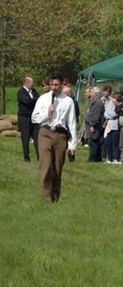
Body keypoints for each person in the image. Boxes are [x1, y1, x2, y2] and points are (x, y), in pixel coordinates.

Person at [30, 73, 77, 202]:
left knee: (57, 168)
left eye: (56, 85)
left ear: (62, 85)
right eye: (51, 84)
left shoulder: (68, 101)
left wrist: (72, 144)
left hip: (61, 135)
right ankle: (46, 198)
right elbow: (34, 118)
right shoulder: (43, 98)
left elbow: (72, 122)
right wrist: (47, 113)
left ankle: (55, 196)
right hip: (45, 132)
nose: (54, 87)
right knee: (46, 165)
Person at [16, 76, 39, 162]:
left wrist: (32, 100)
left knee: (37, 137)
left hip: (34, 117)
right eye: (32, 82)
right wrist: (33, 100)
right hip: (24, 118)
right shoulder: (21, 92)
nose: (33, 84)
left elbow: (39, 99)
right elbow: (26, 101)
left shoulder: (34, 91)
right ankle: (26, 157)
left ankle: (40, 156)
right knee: (25, 137)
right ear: (27, 83)